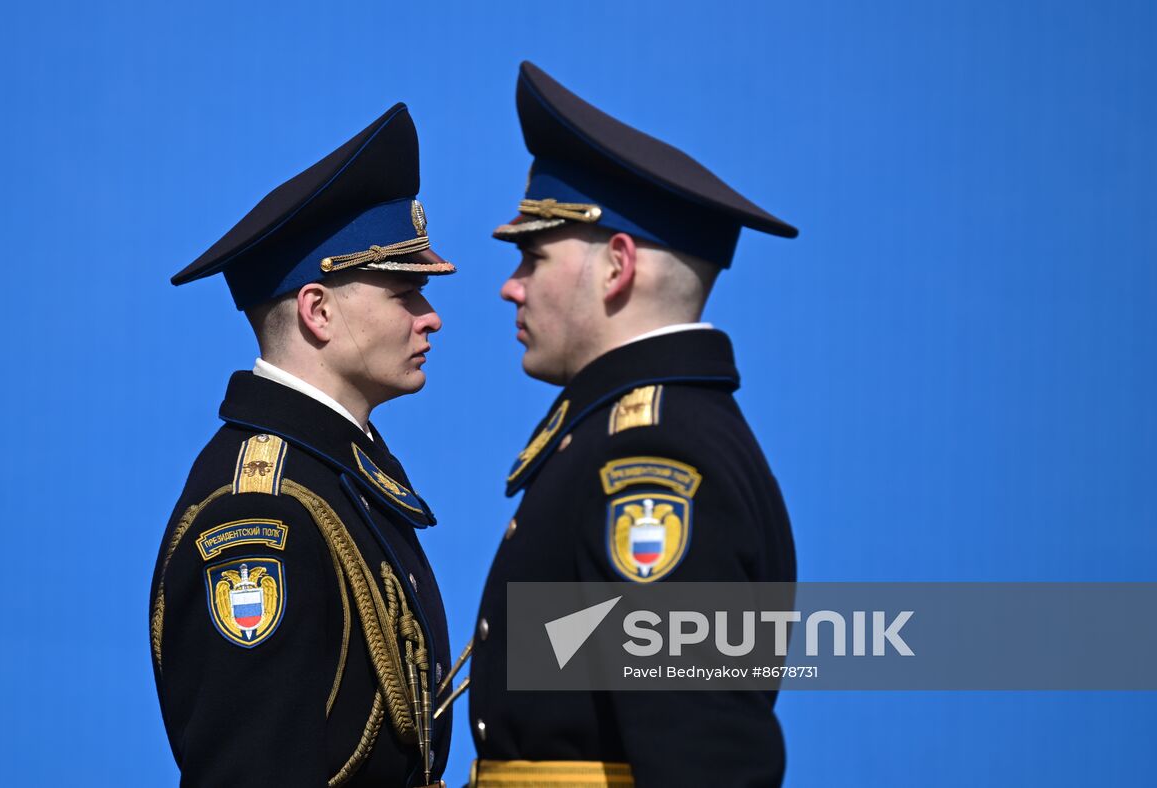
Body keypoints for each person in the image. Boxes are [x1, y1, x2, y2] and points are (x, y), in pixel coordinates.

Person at [461, 62, 799, 787]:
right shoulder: (635, 432)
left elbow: (704, 753)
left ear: (616, 266)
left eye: (533, 255)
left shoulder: (653, 454)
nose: (510, 285)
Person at [148, 102, 455, 788]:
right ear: (318, 311)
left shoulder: (333, 478)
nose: (431, 316)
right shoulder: (261, 515)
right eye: (406, 293)